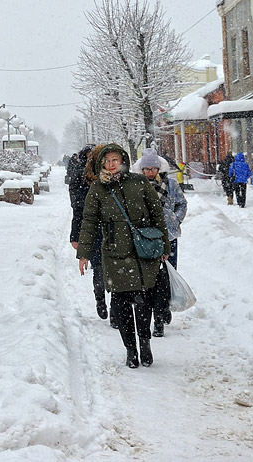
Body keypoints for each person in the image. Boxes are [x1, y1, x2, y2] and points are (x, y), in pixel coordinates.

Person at [77, 143, 170, 369]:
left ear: (123, 161)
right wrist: (84, 253)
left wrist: (164, 246)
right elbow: (88, 221)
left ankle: (145, 343)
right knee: (121, 304)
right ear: (101, 165)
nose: (111, 164)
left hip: (142, 252)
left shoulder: (138, 183)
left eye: (115, 160)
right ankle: (130, 350)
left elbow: (157, 213)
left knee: (143, 302)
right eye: (107, 161)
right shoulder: (98, 190)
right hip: (114, 252)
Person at [137, 150, 187, 336]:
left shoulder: (171, 185)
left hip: (169, 236)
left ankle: (164, 308)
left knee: (167, 275)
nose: (150, 172)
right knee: (150, 279)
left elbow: (182, 204)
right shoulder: (138, 187)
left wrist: (175, 219)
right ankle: (156, 315)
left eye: (153, 168)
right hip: (147, 240)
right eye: (147, 168)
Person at [67, 145, 107, 321]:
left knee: (117, 274)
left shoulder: (113, 178)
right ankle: (100, 300)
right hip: (94, 231)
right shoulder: (83, 178)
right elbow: (78, 209)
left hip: (114, 232)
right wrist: (75, 235)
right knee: (98, 269)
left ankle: (116, 310)